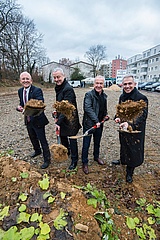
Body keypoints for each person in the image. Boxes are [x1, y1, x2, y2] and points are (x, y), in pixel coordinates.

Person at [112, 75, 148, 183]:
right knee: (124, 145)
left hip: (135, 130)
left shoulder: (141, 98)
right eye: (125, 84)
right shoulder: (122, 97)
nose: (127, 86)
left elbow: (143, 115)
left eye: (129, 84)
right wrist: (117, 117)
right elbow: (119, 111)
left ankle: (129, 172)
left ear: (134, 84)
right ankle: (122, 160)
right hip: (123, 128)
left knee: (133, 149)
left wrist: (130, 124)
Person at [17, 71, 51, 169]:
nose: (25, 81)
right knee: (32, 137)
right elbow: (22, 103)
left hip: (38, 119)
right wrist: (19, 107)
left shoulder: (37, 90)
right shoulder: (20, 91)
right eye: (23, 79)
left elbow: (40, 104)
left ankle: (47, 159)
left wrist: (24, 109)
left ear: (31, 80)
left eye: (27, 79)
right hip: (28, 119)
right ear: (20, 81)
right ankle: (37, 151)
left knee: (42, 140)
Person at [52, 68, 81, 170]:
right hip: (62, 118)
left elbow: (67, 108)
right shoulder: (59, 87)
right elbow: (60, 104)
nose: (56, 79)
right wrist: (56, 112)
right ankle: (66, 152)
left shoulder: (68, 89)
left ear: (64, 76)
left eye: (58, 77)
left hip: (70, 120)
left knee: (72, 139)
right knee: (63, 137)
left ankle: (74, 160)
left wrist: (58, 122)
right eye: (55, 77)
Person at [81, 75, 109, 174]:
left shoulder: (104, 96)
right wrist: (96, 120)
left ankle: (96, 157)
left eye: (101, 83)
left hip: (99, 124)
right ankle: (84, 162)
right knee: (86, 144)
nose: (99, 85)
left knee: (97, 142)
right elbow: (88, 108)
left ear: (103, 84)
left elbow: (103, 109)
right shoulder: (89, 95)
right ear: (94, 84)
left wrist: (105, 116)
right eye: (97, 83)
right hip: (89, 124)